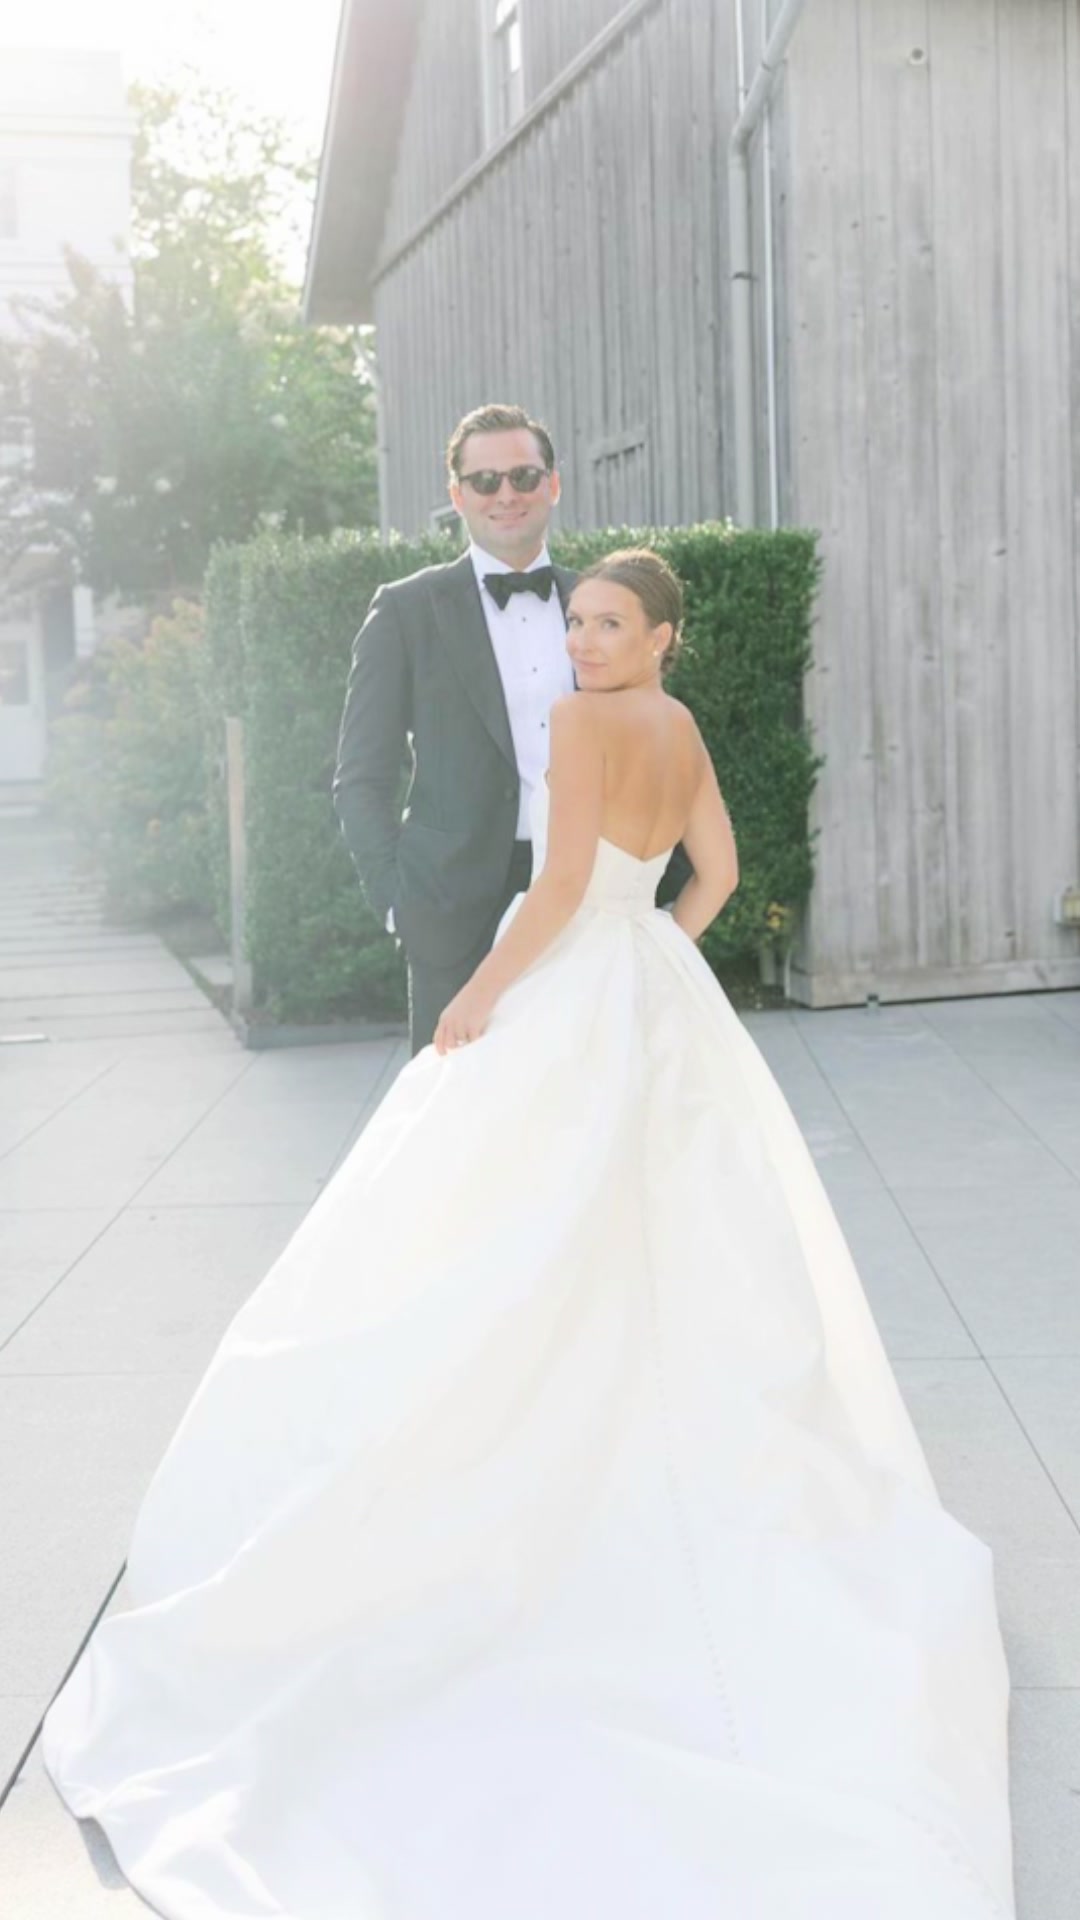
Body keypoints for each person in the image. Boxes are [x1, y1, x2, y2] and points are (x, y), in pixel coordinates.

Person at [41, 548, 1016, 1920]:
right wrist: (657, 949)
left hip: (560, 975)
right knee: (669, 1231)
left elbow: (557, 890)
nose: (584, 642)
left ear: (663, 634)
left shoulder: (578, 721)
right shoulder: (680, 726)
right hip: (651, 986)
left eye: (611, 624)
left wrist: (481, 993)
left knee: (495, 1222)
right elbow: (719, 872)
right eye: (578, 623)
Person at [331, 399, 690, 1055]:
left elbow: (656, 746)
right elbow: (361, 776)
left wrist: (657, 891)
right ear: (457, 495)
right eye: (484, 480)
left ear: (553, 485)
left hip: (590, 897)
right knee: (455, 1100)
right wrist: (396, 902)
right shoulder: (406, 611)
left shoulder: (605, 605)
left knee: (583, 1091)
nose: (506, 495)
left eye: (524, 476)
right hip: (451, 907)